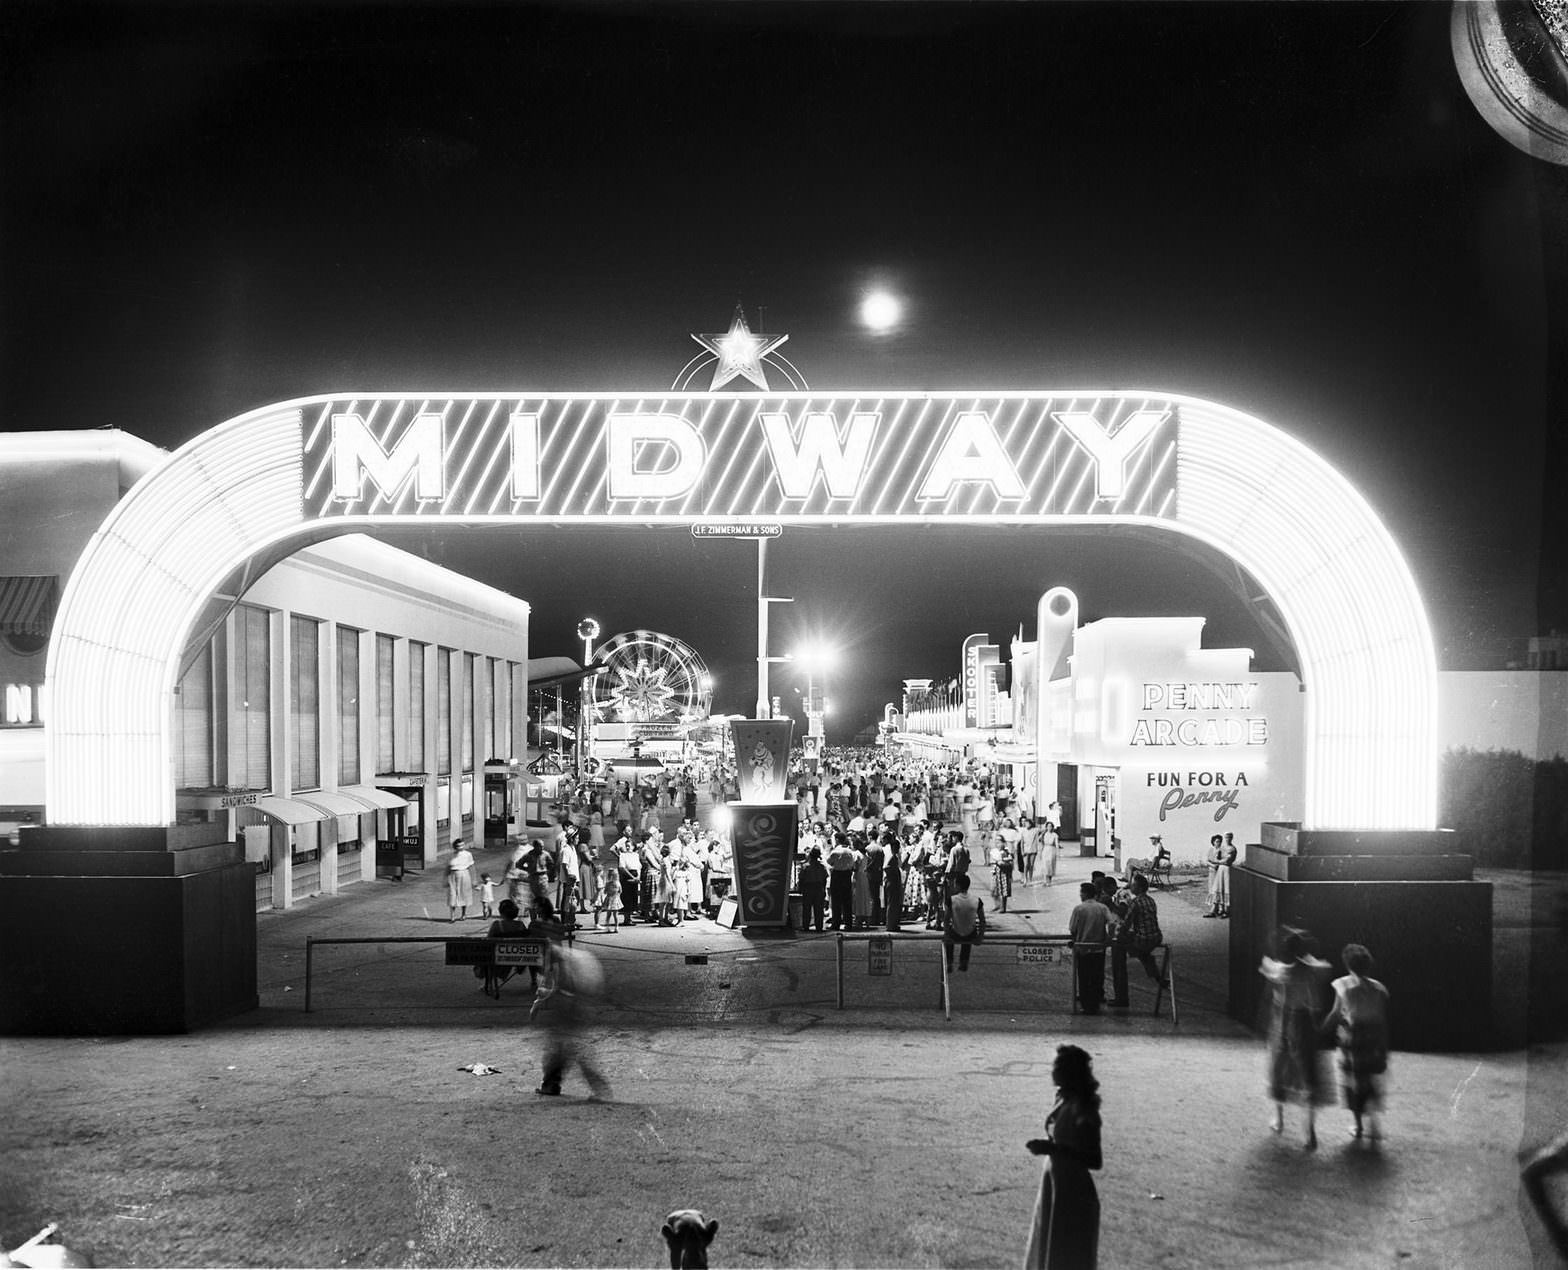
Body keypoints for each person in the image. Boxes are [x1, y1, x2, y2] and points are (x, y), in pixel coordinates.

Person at [1023, 1044, 1102, 1270]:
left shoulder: (1084, 1109)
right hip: (1057, 1183)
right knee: (1051, 1244)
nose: (1052, 1071)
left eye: (1058, 1066)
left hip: (1072, 1190)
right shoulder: (1064, 1100)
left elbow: (1095, 1160)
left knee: (1064, 1249)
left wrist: (1054, 1150)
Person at [530, 902, 610, 1100]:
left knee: (570, 1048)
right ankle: (551, 1084)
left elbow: (562, 985)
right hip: (579, 1003)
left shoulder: (558, 957)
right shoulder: (575, 955)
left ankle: (598, 1090)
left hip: (569, 1005)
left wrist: (540, 1003)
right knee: (563, 1048)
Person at [1261, 928, 1332, 1148]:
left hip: (1284, 1023)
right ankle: (1310, 1131)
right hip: (1304, 1024)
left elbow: (1268, 970)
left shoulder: (1281, 972)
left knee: (1279, 1071)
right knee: (1309, 1075)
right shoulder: (1312, 971)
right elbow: (1317, 998)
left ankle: (1279, 1119)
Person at [1320, 943, 1390, 1142]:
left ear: (1348, 965)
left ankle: (1358, 1125)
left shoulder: (1343, 985)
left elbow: (1335, 1014)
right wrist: (1384, 1049)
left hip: (1353, 1038)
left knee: (1354, 1082)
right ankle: (1374, 1123)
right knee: (1370, 1079)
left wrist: (1321, 1030)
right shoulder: (1380, 988)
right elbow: (1382, 1021)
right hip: (1374, 1037)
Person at [1109, 874, 1166, 1007]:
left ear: (1138, 888)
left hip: (1144, 940)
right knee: (1143, 954)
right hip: (1156, 937)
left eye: (1133, 885)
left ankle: (1121, 996)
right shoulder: (1151, 900)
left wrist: (1116, 934)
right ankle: (1157, 977)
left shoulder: (1135, 903)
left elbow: (1127, 923)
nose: (1130, 887)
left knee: (1119, 944)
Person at [1068, 882, 1111, 1015]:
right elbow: (1112, 923)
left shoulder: (1079, 909)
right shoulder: (1103, 908)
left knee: (1084, 977)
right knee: (1097, 976)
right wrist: (1108, 940)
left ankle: (1086, 1006)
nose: (1080, 895)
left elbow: (1072, 928)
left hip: (1083, 949)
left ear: (1085, 894)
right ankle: (1095, 1004)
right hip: (1098, 949)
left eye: (1081, 892)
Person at [478, 898, 530, 998]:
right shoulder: (520, 925)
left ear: (501, 912)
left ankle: (488, 983)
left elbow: (488, 940)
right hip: (517, 957)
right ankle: (534, 980)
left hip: (499, 957)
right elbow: (526, 941)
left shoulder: (497, 925)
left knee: (488, 954)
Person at [943, 872, 985, 972]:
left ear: (957, 885)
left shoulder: (952, 900)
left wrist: (946, 934)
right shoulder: (977, 900)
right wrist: (980, 936)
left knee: (950, 934)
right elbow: (982, 920)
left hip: (955, 933)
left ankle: (949, 961)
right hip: (970, 934)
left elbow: (946, 919)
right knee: (969, 929)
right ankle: (964, 961)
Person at [826, 834, 856, 931]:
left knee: (836, 901)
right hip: (847, 875)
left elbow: (829, 861)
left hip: (837, 875)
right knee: (847, 900)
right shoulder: (849, 851)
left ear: (837, 840)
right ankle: (848, 923)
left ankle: (836, 923)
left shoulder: (835, 851)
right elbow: (852, 864)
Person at [798, 846, 828, 932]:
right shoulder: (821, 867)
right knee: (819, 909)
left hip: (808, 888)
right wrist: (824, 890)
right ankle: (819, 926)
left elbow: (801, 879)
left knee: (807, 908)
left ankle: (806, 926)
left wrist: (800, 889)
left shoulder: (805, 866)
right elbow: (824, 879)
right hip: (819, 888)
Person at [445, 838, 476, 922]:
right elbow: (448, 868)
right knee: (452, 895)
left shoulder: (468, 854)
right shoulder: (451, 855)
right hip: (453, 875)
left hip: (464, 874)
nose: (460, 847)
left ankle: (463, 914)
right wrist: (445, 879)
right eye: (458, 846)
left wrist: (474, 880)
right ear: (455, 847)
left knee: (464, 894)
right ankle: (452, 916)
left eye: (462, 845)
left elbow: (472, 867)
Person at [882, 835, 904, 932]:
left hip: (893, 880)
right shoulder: (891, 857)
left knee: (893, 903)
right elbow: (886, 867)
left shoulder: (893, 856)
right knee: (892, 903)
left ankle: (893, 924)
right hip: (891, 880)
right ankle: (890, 925)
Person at [1204, 834, 1227, 917]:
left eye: (1220, 841)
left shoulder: (1222, 851)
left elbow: (1223, 861)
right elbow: (1207, 861)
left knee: (1218, 890)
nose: (1218, 843)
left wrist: (1217, 863)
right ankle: (1216, 909)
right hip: (1211, 872)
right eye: (1217, 841)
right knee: (1211, 890)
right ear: (1213, 842)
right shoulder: (1210, 850)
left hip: (1218, 872)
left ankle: (1218, 909)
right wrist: (1212, 865)